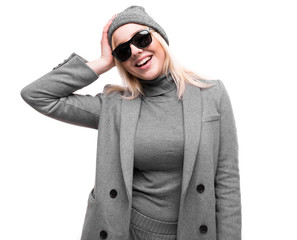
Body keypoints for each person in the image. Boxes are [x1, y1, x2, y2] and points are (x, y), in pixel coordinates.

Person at [20, 5, 241, 240]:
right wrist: (104, 62)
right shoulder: (114, 105)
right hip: (127, 230)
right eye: (123, 51)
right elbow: (37, 95)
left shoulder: (212, 94)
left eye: (142, 39)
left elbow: (227, 180)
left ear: (159, 38)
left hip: (195, 231)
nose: (135, 51)